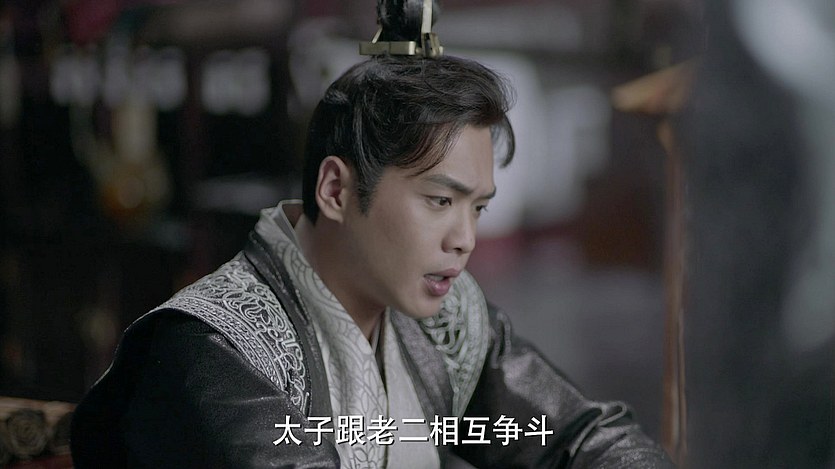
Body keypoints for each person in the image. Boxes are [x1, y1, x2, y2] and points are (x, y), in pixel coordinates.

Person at [70, 52, 672, 468]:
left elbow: (574, 436)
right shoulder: (213, 352)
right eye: (440, 201)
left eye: (478, 208)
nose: (464, 239)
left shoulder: (443, 320)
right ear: (336, 190)